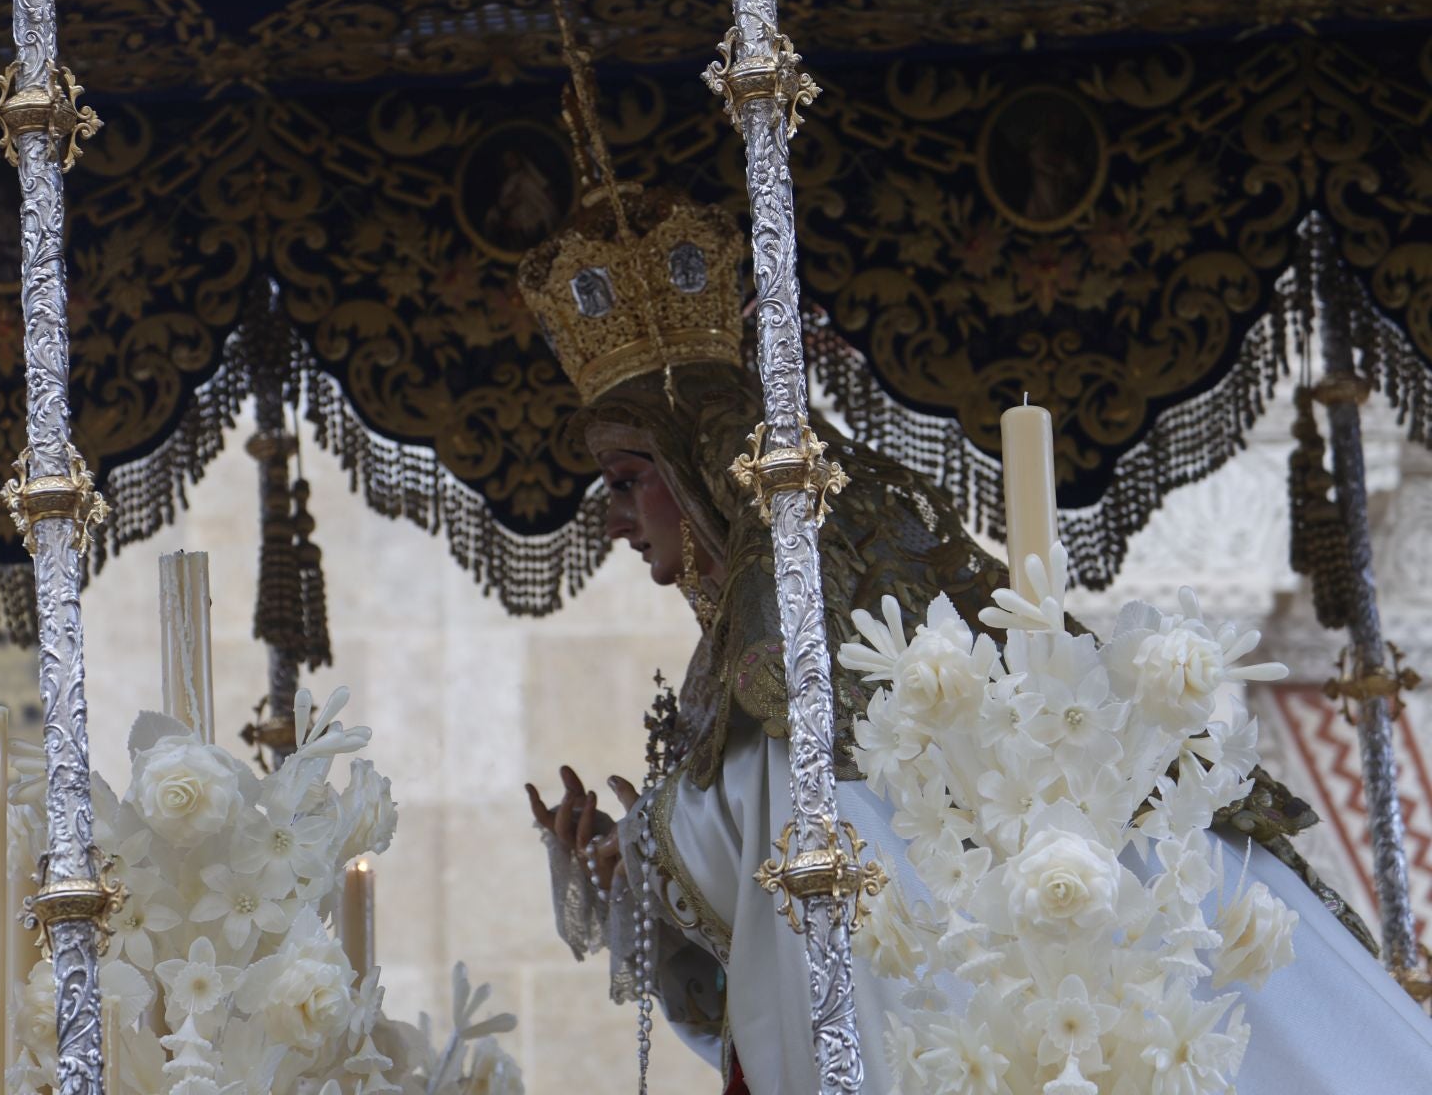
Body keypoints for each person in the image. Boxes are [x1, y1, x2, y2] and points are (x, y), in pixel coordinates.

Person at [515, 187, 1432, 1092]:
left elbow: (803, 827)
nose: (615, 521)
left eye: (628, 480)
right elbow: (763, 932)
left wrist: (644, 846)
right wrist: (630, 863)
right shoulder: (759, 643)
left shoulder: (801, 617)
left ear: (699, 466)